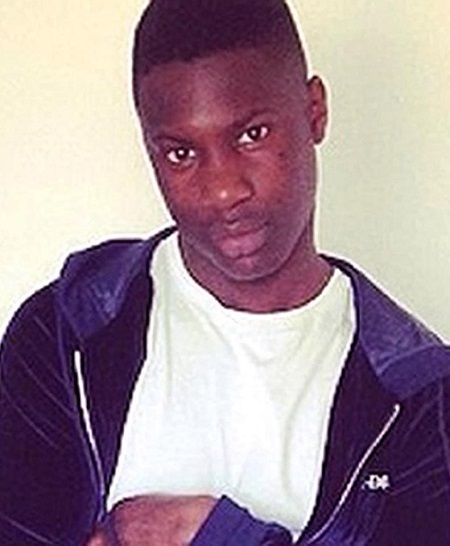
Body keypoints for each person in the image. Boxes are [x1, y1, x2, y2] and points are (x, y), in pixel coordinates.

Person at [1, 1, 450, 544]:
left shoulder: (419, 397)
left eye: (252, 134)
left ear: (314, 111)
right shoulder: (63, 336)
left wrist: (220, 534)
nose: (223, 191)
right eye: (181, 153)